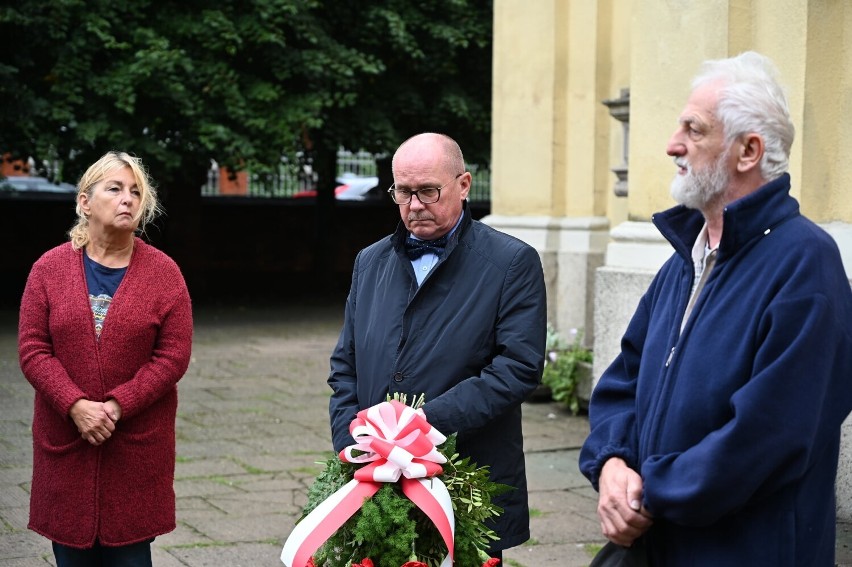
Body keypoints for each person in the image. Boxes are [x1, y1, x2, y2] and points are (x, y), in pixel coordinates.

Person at [580, 51, 852, 566]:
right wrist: (613, 463)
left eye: (694, 129)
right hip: (655, 545)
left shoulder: (805, 264)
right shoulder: (685, 260)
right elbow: (623, 383)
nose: (672, 144)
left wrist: (650, 492)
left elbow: (771, 436)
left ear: (748, 151)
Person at [328, 132, 547, 560]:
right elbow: (345, 364)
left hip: (466, 476)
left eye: (428, 190)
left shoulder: (511, 262)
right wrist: (352, 442)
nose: (413, 205)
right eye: (403, 192)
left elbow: (517, 367)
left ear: (464, 185)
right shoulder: (370, 261)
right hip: (373, 475)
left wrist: (418, 429)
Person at [18, 151, 193, 567]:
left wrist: (116, 406)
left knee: (131, 555)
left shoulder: (164, 274)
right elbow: (33, 349)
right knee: (71, 555)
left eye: (136, 192)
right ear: (84, 202)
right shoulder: (48, 269)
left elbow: (172, 357)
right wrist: (74, 404)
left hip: (134, 449)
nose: (127, 199)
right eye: (114, 189)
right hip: (67, 441)